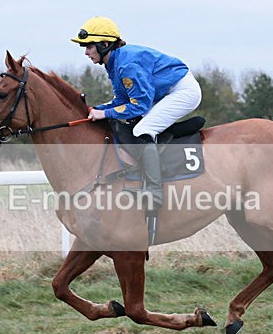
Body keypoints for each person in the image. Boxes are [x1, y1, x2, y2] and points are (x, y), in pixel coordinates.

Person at [70, 16, 202, 224]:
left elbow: (140, 105)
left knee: (142, 129)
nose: (86, 52)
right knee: (137, 125)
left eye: (89, 46)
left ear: (104, 45)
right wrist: (96, 109)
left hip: (182, 91)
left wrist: (104, 114)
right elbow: (121, 101)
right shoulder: (114, 63)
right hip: (163, 93)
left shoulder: (127, 64)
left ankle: (155, 193)